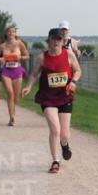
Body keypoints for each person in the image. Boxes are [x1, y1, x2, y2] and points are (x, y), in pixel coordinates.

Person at [22, 28, 81, 174]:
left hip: (65, 96)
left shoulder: (68, 54)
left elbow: (78, 70)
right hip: (47, 98)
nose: (56, 42)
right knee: (55, 129)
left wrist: (73, 81)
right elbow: (34, 74)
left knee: (64, 134)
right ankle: (55, 161)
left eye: (59, 39)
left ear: (63, 41)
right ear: (48, 40)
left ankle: (65, 144)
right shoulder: (42, 57)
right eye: (53, 39)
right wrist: (29, 86)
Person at [0, 26, 29, 126]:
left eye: (13, 32)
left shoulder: (20, 44)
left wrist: (20, 57)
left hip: (17, 70)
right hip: (6, 71)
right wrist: (0, 60)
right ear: (6, 33)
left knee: (16, 96)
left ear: (15, 33)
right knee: (10, 93)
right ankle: (11, 117)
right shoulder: (2, 46)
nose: (11, 33)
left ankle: (13, 111)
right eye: (9, 31)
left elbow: (27, 56)